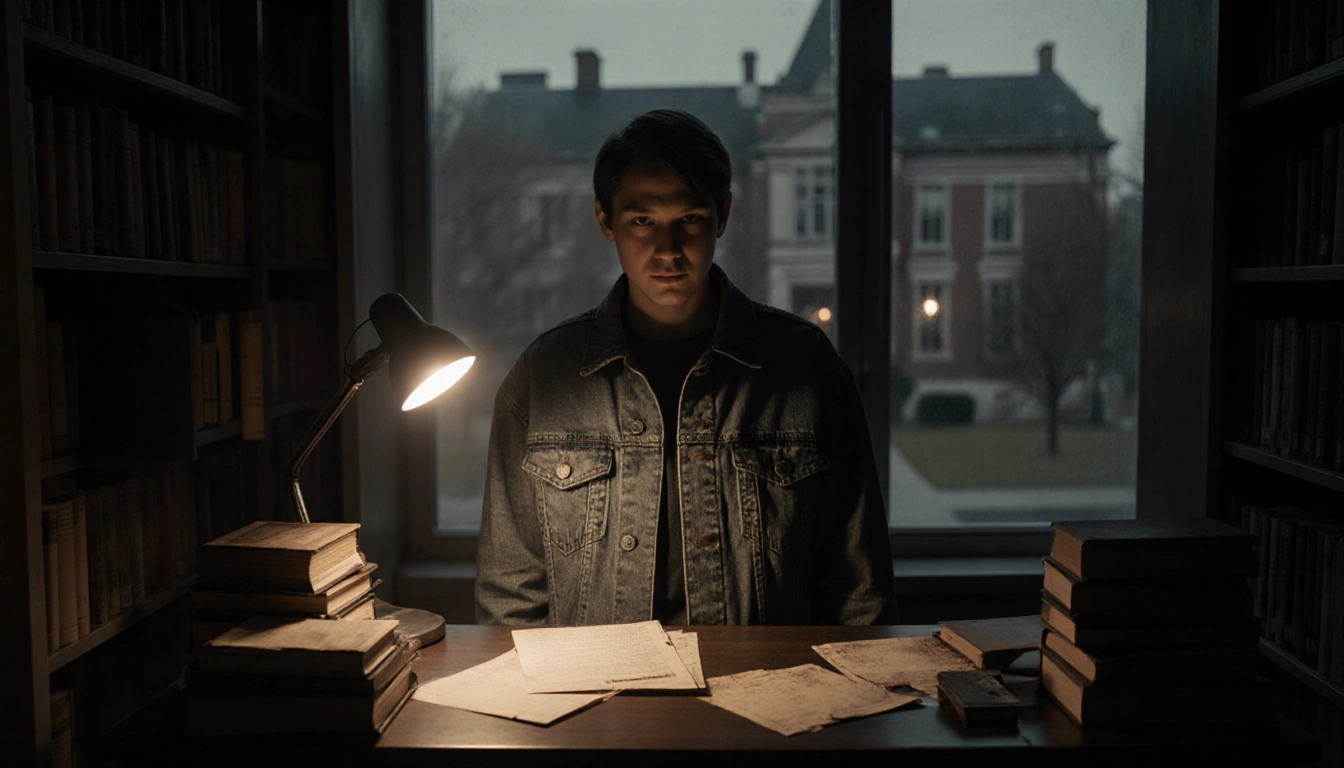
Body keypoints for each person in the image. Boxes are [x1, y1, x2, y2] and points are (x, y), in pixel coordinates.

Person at [475, 109, 894, 626]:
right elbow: (510, 601)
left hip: (767, 679)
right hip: (597, 681)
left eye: (690, 219)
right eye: (642, 221)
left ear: (723, 215)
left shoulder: (805, 368)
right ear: (606, 220)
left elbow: (859, 591)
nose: (667, 250)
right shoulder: (542, 379)